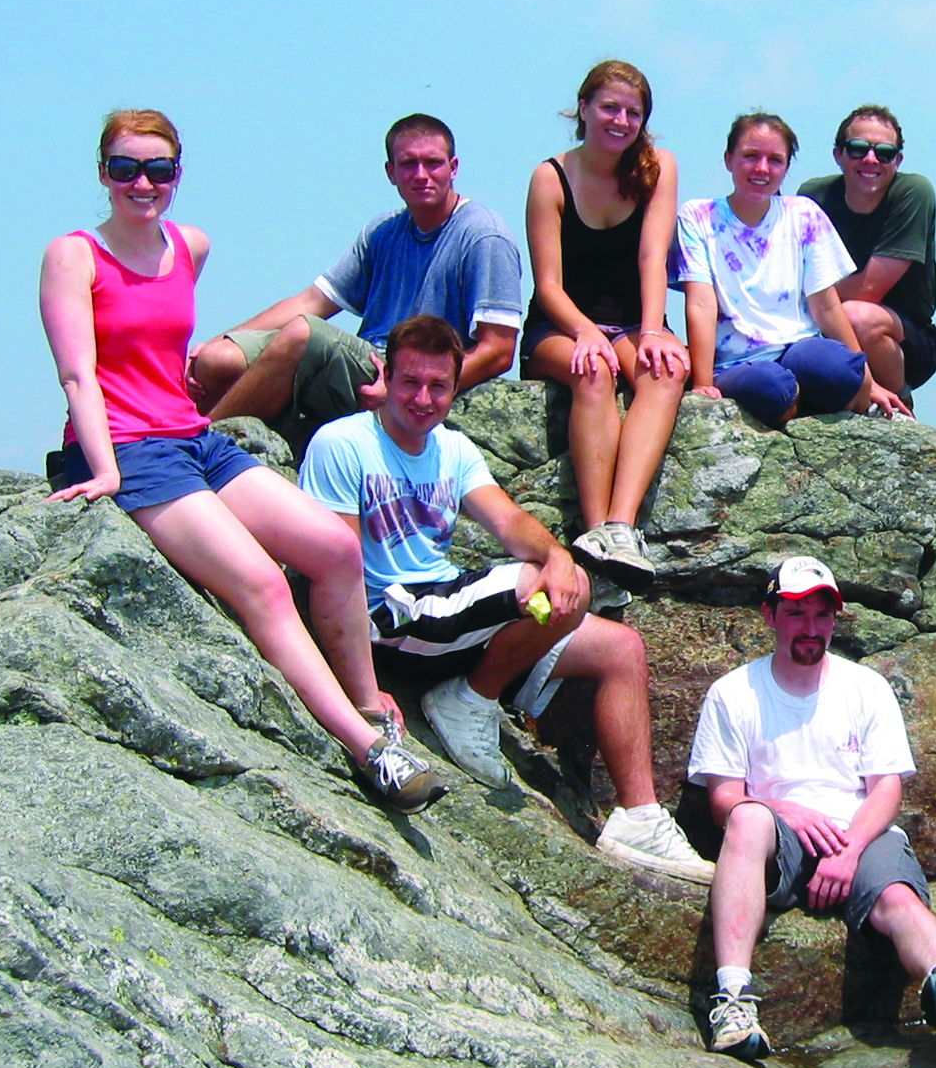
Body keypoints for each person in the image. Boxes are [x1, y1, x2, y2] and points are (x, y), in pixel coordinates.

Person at [39, 109, 437, 813]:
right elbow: (79, 376)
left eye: (158, 170)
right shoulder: (74, 256)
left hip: (194, 439)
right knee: (261, 583)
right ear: (103, 174)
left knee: (334, 549)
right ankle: (369, 749)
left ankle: (369, 702)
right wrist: (101, 471)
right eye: (126, 168)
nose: (142, 183)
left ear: (177, 175)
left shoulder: (187, 246)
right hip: (130, 451)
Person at [299, 315, 714, 881]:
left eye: (438, 386)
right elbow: (336, 570)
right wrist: (363, 693)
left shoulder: (452, 449)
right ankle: (468, 698)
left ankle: (638, 816)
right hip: (388, 620)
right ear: (387, 377)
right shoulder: (342, 444)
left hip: (450, 617)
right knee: (542, 589)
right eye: (410, 383)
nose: (423, 399)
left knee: (619, 647)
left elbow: (509, 521)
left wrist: (560, 556)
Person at [690, 557, 936, 1061]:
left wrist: (848, 854)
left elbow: (886, 788)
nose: (811, 628)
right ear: (770, 615)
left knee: (896, 896)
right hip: (776, 837)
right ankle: (735, 1000)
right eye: (797, 614)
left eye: (822, 616)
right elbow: (722, 799)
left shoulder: (864, 687)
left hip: (858, 832)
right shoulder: (733, 693)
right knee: (746, 817)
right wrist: (784, 808)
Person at [185, 113, 524, 454]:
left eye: (432, 163)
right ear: (391, 172)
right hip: (367, 363)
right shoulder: (384, 232)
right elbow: (312, 301)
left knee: (304, 335)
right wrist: (219, 339)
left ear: (453, 167)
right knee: (217, 360)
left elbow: (498, 350)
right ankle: (192, 437)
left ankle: (198, 450)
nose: (421, 175)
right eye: (409, 164)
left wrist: (405, 392)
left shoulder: (483, 235)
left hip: (407, 373)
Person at [521, 60, 689, 595]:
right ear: (584, 108)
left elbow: (651, 256)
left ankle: (621, 525)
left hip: (632, 320)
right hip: (561, 321)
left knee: (666, 373)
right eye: (610, 108)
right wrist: (584, 330)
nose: (620, 120)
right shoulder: (551, 176)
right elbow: (547, 283)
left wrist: (656, 330)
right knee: (592, 370)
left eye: (633, 113)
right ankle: (594, 532)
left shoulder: (658, 167)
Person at [675, 113, 911, 427]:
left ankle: (814, 399)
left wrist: (867, 380)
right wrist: (703, 383)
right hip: (737, 359)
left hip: (799, 345)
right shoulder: (698, 216)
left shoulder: (803, 214)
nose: (762, 169)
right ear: (729, 159)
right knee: (773, 390)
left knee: (841, 373)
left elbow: (826, 305)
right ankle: (796, 405)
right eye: (750, 156)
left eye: (775, 160)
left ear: (786, 167)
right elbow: (701, 303)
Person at [796, 105, 936, 396]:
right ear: (838, 154)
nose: (871, 159)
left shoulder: (914, 192)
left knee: (857, 316)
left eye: (884, 153)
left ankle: (898, 406)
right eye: (858, 149)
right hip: (826, 325)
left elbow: (868, 291)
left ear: (898, 160)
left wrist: (807, 306)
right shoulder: (811, 198)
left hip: (905, 339)